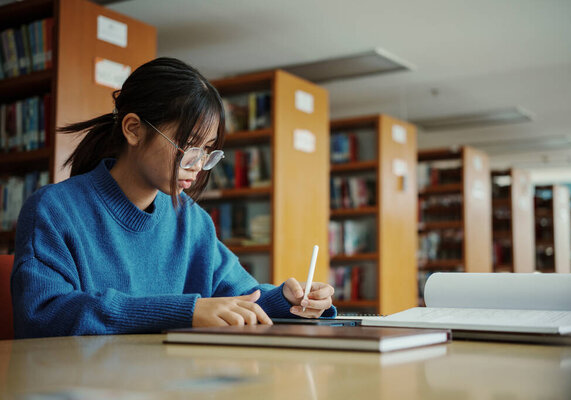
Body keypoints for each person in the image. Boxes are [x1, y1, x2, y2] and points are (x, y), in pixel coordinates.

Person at [11, 57, 335, 339]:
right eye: (189, 147)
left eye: (207, 152)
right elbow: (44, 315)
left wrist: (288, 299)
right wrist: (185, 312)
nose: (197, 166)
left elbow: (242, 299)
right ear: (134, 129)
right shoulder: (54, 210)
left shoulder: (191, 221)